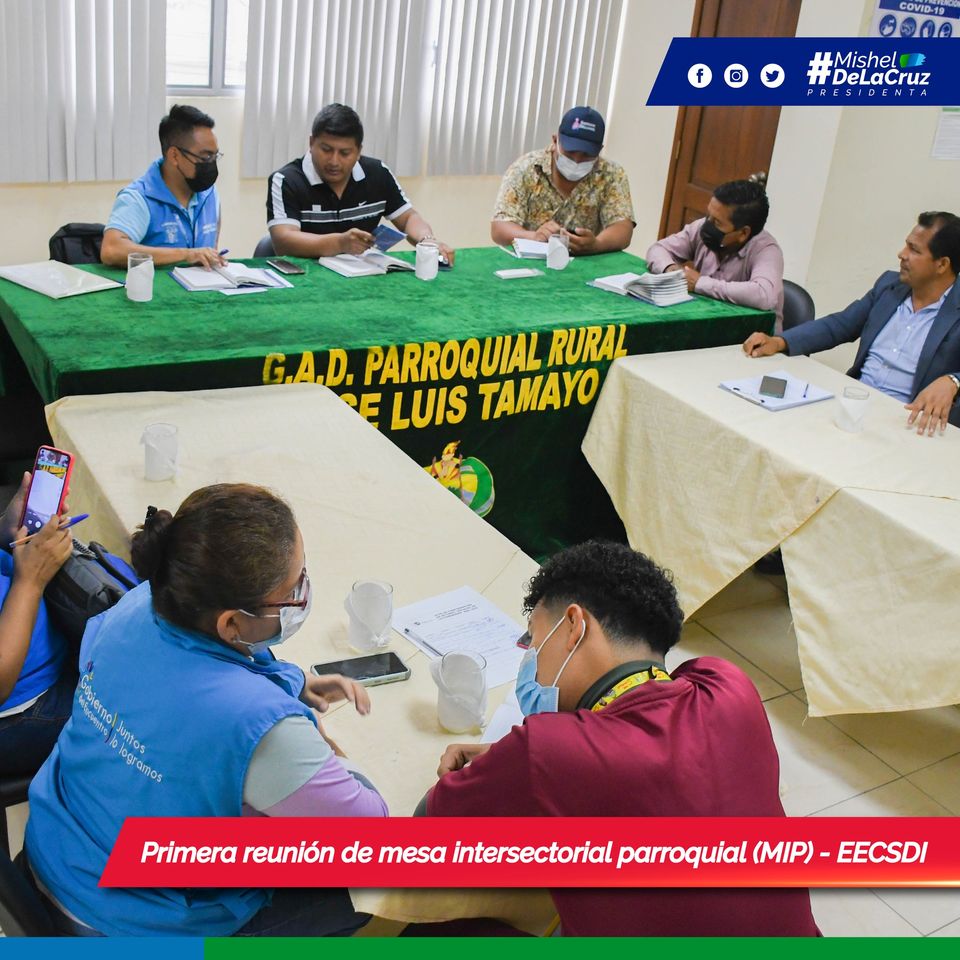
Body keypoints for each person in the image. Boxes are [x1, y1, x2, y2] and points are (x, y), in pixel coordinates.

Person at [25, 484, 387, 937]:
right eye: (294, 590)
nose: (304, 594)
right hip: (124, 921)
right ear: (231, 622)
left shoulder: (138, 605)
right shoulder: (259, 726)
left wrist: (289, 683)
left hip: (56, 847)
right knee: (370, 887)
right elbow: (368, 836)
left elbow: (202, 677)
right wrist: (314, 740)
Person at [423, 541, 819, 937]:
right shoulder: (728, 686)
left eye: (534, 642)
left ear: (574, 626)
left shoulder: (546, 749)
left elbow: (431, 830)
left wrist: (514, 765)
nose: (531, 664)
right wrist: (517, 761)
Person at [743, 211, 960, 436]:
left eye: (914, 250)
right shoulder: (889, 286)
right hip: (857, 405)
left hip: (909, 422)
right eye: (906, 245)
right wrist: (780, 342)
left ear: (942, 264)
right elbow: (840, 325)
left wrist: (954, 380)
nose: (902, 254)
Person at [267, 103, 455, 265]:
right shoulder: (286, 180)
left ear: (358, 152)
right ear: (311, 143)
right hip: (307, 278)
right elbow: (284, 240)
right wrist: (340, 243)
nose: (334, 161)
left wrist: (427, 240)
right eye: (326, 150)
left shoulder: (378, 173)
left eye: (345, 153)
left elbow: (408, 218)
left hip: (363, 274)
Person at [0, 474, 73, 776]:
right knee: (135, 715)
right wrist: (29, 582)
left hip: (40, 647)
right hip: (24, 708)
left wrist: (6, 530)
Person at [491, 106, 635, 256]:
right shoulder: (526, 168)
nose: (577, 161)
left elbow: (623, 229)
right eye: (570, 152)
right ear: (555, 140)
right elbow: (499, 227)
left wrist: (597, 245)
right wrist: (533, 237)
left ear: (599, 150)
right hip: (530, 261)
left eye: (586, 155)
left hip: (585, 262)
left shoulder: (611, 174)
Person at [646, 175, 784, 327]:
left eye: (717, 222)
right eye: (708, 216)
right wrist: (671, 269)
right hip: (703, 321)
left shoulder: (766, 250)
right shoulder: (701, 227)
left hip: (748, 333)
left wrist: (700, 283)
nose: (707, 225)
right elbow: (658, 249)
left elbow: (764, 295)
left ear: (743, 233)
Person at [100, 104, 225, 269]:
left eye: (215, 156)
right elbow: (111, 250)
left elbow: (211, 249)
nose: (211, 164)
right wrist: (186, 255)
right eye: (206, 157)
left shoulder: (209, 194)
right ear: (174, 156)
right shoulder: (139, 197)